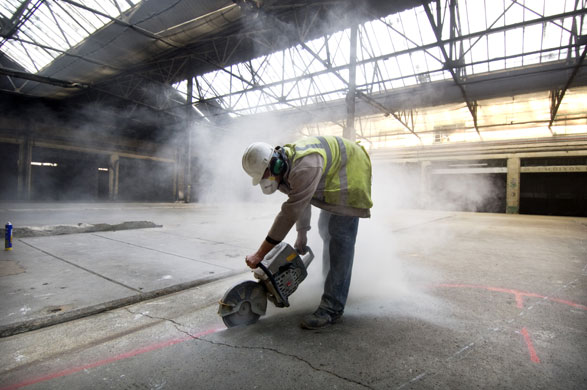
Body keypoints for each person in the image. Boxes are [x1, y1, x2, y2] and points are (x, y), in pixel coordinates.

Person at [242, 135, 373, 329]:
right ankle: (330, 283)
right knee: (324, 228)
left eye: (265, 175)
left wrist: (260, 254)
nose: (266, 180)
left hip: (352, 171)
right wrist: (302, 232)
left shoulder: (305, 166)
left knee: (340, 236)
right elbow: (302, 201)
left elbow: (289, 213)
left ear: (275, 164)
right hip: (334, 174)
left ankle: (333, 307)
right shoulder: (286, 166)